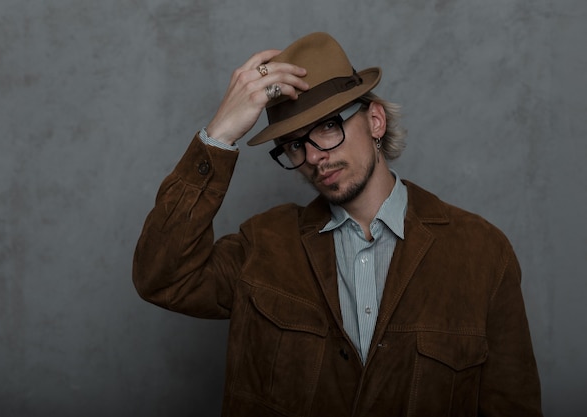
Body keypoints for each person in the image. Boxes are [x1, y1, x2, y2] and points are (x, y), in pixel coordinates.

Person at [132, 32, 542, 416]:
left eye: (329, 126)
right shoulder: (264, 245)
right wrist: (218, 136)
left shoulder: (481, 252)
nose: (313, 157)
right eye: (294, 144)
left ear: (375, 121)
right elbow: (164, 278)